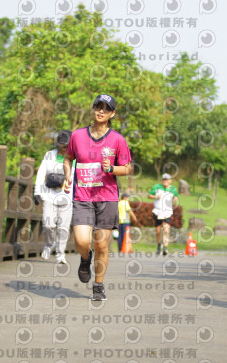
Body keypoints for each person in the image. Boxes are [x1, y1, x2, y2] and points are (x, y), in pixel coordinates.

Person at [63, 94, 132, 301]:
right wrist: (68, 175)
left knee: (102, 244)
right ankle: (86, 258)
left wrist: (111, 168)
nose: (100, 111)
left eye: (105, 108)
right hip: (82, 196)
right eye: (97, 107)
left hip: (107, 197)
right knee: (82, 240)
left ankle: (98, 285)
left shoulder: (117, 139)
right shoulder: (77, 136)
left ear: (112, 113)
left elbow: (127, 168)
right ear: (93, 109)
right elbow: (68, 158)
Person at [34, 130, 74, 264]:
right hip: (49, 195)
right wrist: (37, 192)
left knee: (63, 227)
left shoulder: (76, 159)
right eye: (61, 145)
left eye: (65, 146)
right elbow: (41, 173)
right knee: (48, 224)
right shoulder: (50, 155)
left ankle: (60, 254)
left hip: (67, 197)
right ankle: (49, 244)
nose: (63, 148)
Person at [148, 173, 179, 256]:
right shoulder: (157, 187)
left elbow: (175, 196)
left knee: (166, 230)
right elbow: (149, 195)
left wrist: (175, 199)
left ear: (170, 181)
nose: (165, 181)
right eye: (163, 179)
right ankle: (159, 246)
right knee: (158, 231)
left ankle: (165, 248)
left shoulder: (173, 189)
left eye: (167, 180)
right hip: (157, 211)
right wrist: (156, 197)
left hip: (167, 212)